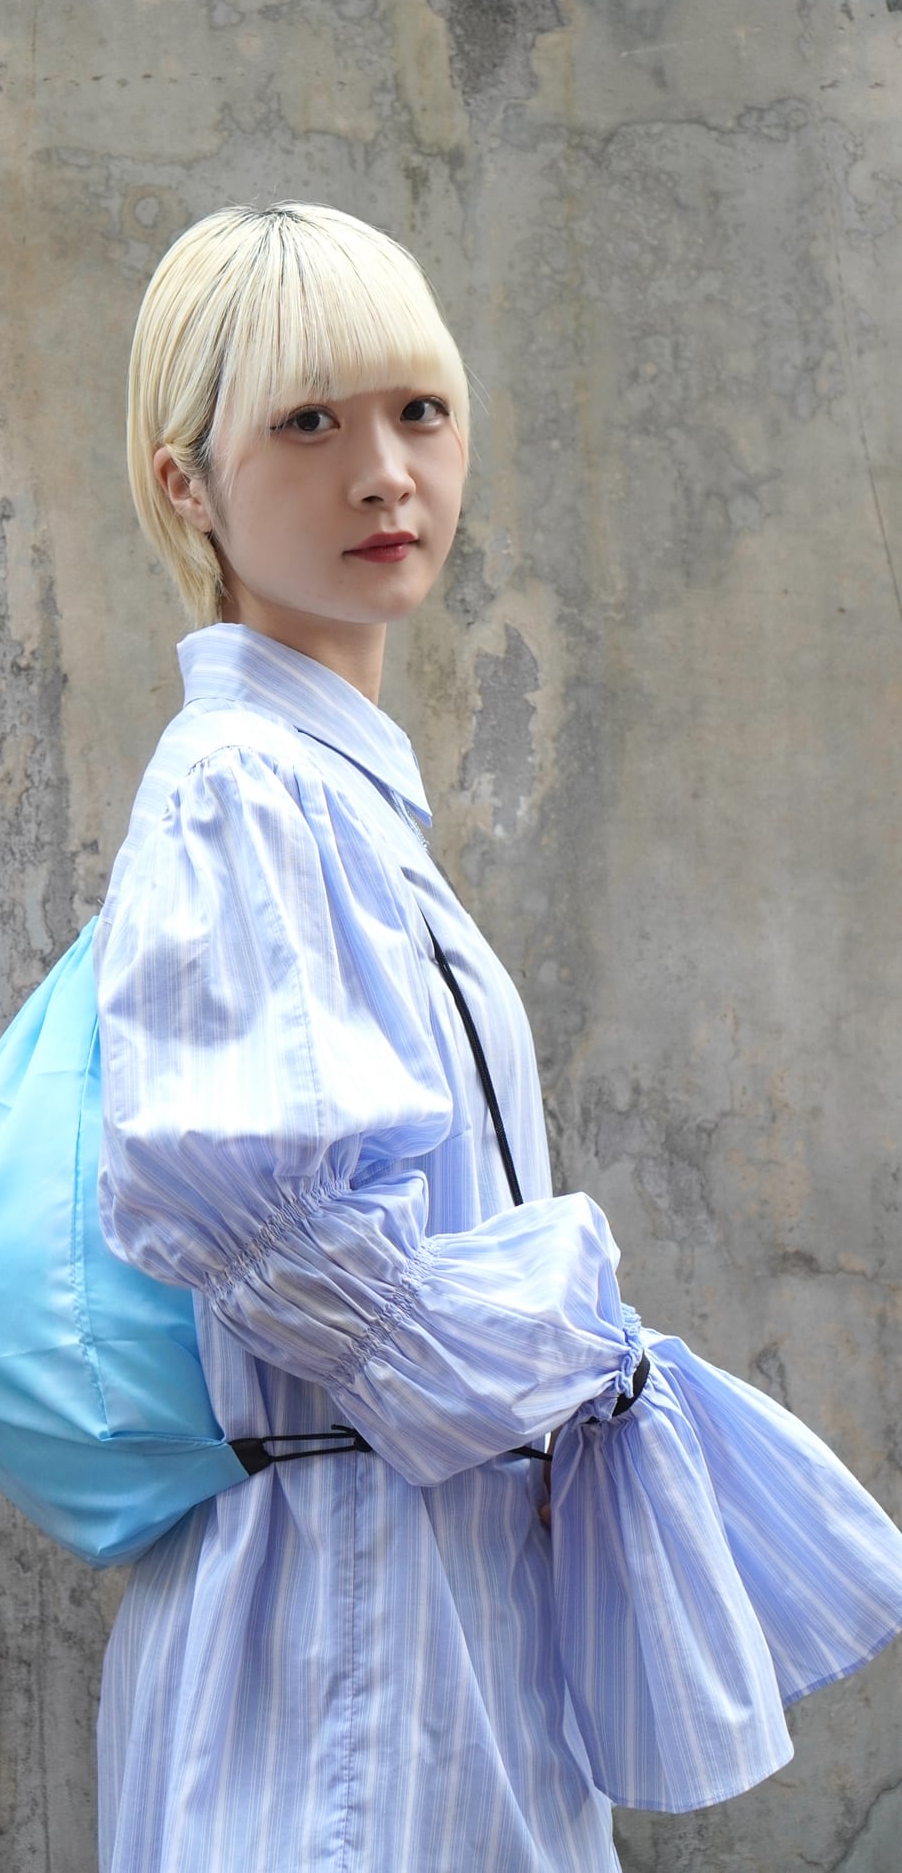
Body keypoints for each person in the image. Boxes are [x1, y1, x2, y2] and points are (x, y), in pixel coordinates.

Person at [92, 203, 902, 1872]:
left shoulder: (331, 793)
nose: (385, 473)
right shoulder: (247, 791)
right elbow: (262, 1224)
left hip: (428, 1600)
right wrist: (555, 1350)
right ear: (188, 485)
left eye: (421, 411)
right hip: (349, 1634)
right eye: (308, 423)